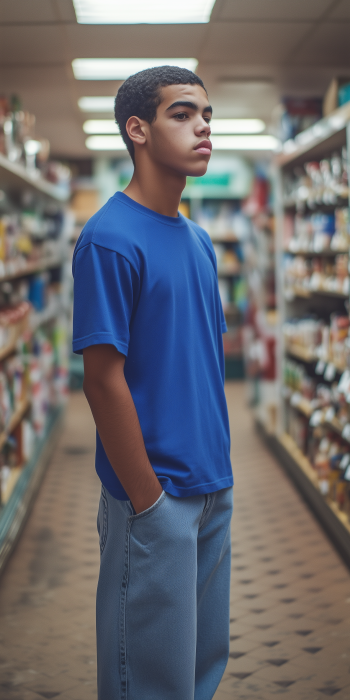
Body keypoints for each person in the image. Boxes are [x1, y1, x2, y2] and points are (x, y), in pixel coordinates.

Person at [72, 65, 233, 700]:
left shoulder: (198, 242)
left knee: (198, 671)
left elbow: (199, 362)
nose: (203, 128)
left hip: (212, 484)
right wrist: (148, 501)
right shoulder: (110, 239)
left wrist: (217, 475)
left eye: (207, 116)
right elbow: (102, 381)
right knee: (147, 679)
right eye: (183, 114)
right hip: (155, 495)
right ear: (137, 130)